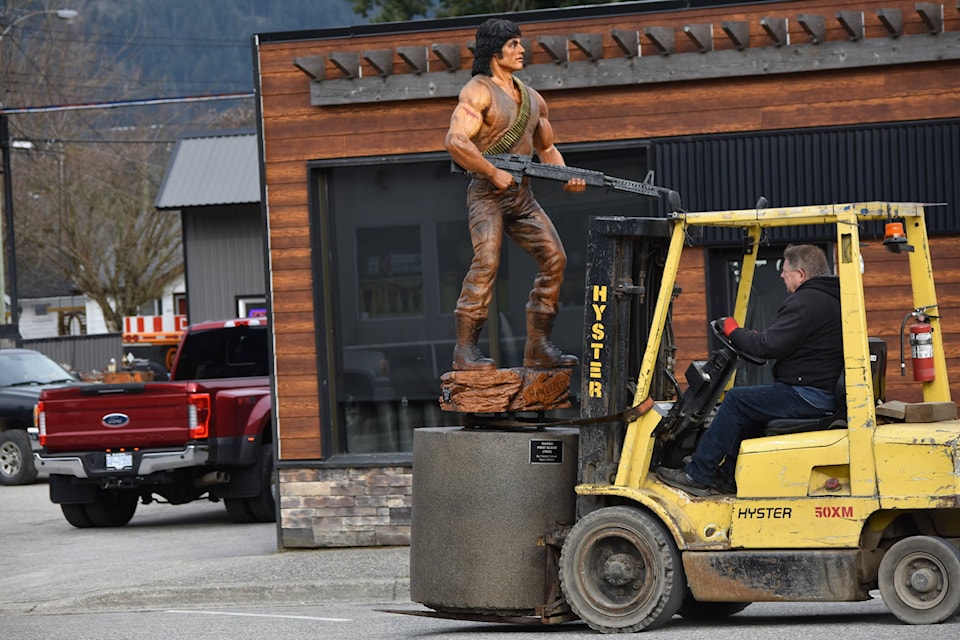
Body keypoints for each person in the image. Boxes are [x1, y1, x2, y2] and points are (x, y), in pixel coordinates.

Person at [445, 17, 585, 371]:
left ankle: (538, 346)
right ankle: (464, 350)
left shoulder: (533, 99)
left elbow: (547, 149)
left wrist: (567, 176)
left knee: (555, 259)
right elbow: (456, 142)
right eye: (513, 45)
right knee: (486, 264)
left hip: (522, 196)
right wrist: (492, 172)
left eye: (520, 43)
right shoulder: (477, 92)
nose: (521, 50)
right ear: (495, 51)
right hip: (487, 193)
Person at [657, 244, 843, 496]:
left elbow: (767, 345)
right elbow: (781, 343)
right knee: (751, 408)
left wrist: (733, 330)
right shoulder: (830, 298)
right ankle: (727, 478)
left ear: (800, 274)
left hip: (808, 394)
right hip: (817, 389)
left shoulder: (806, 302)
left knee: (735, 400)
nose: (781, 275)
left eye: (785, 270)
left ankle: (697, 474)